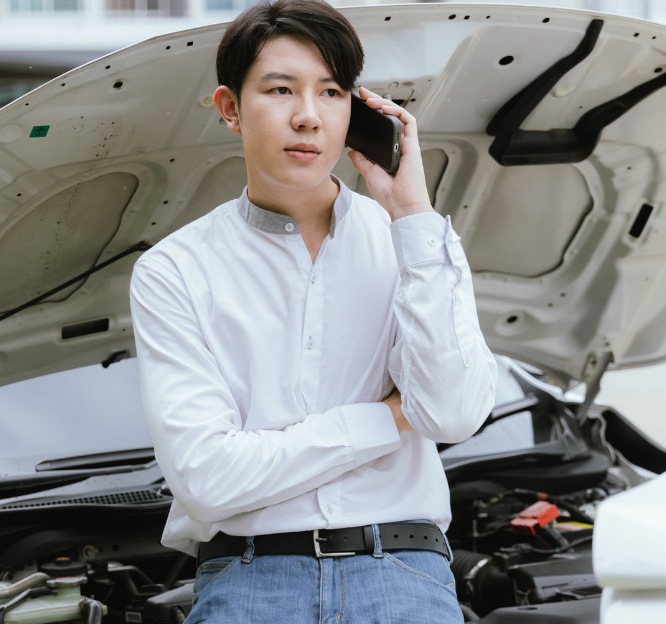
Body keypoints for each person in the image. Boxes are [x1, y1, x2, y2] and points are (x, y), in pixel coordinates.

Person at [129, 0, 496, 620]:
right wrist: (388, 417)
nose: (307, 116)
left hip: (403, 572)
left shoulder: (415, 243)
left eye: (331, 92)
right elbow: (208, 480)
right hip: (248, 579)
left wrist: (412, 215)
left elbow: (454, 414)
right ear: (230, 109)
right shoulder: (174, 270)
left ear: (355, 109)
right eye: (280, 90)